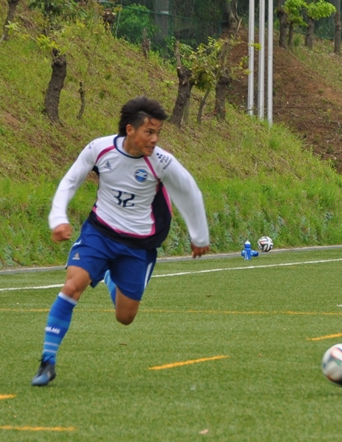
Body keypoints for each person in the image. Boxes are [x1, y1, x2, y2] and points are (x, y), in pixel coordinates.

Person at [32, 96, 210, 386]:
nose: (154, 139)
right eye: (149, 132)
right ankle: (47, 362)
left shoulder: (162, 162)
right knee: (72, 286)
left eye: (158, 133)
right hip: (99, 233)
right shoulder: (99, 148)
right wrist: (58, 218)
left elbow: (189, 192)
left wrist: (199, 236)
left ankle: (111, 279)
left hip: (138, 245)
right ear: (130, 129)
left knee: (125, 317)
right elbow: (70, 181)